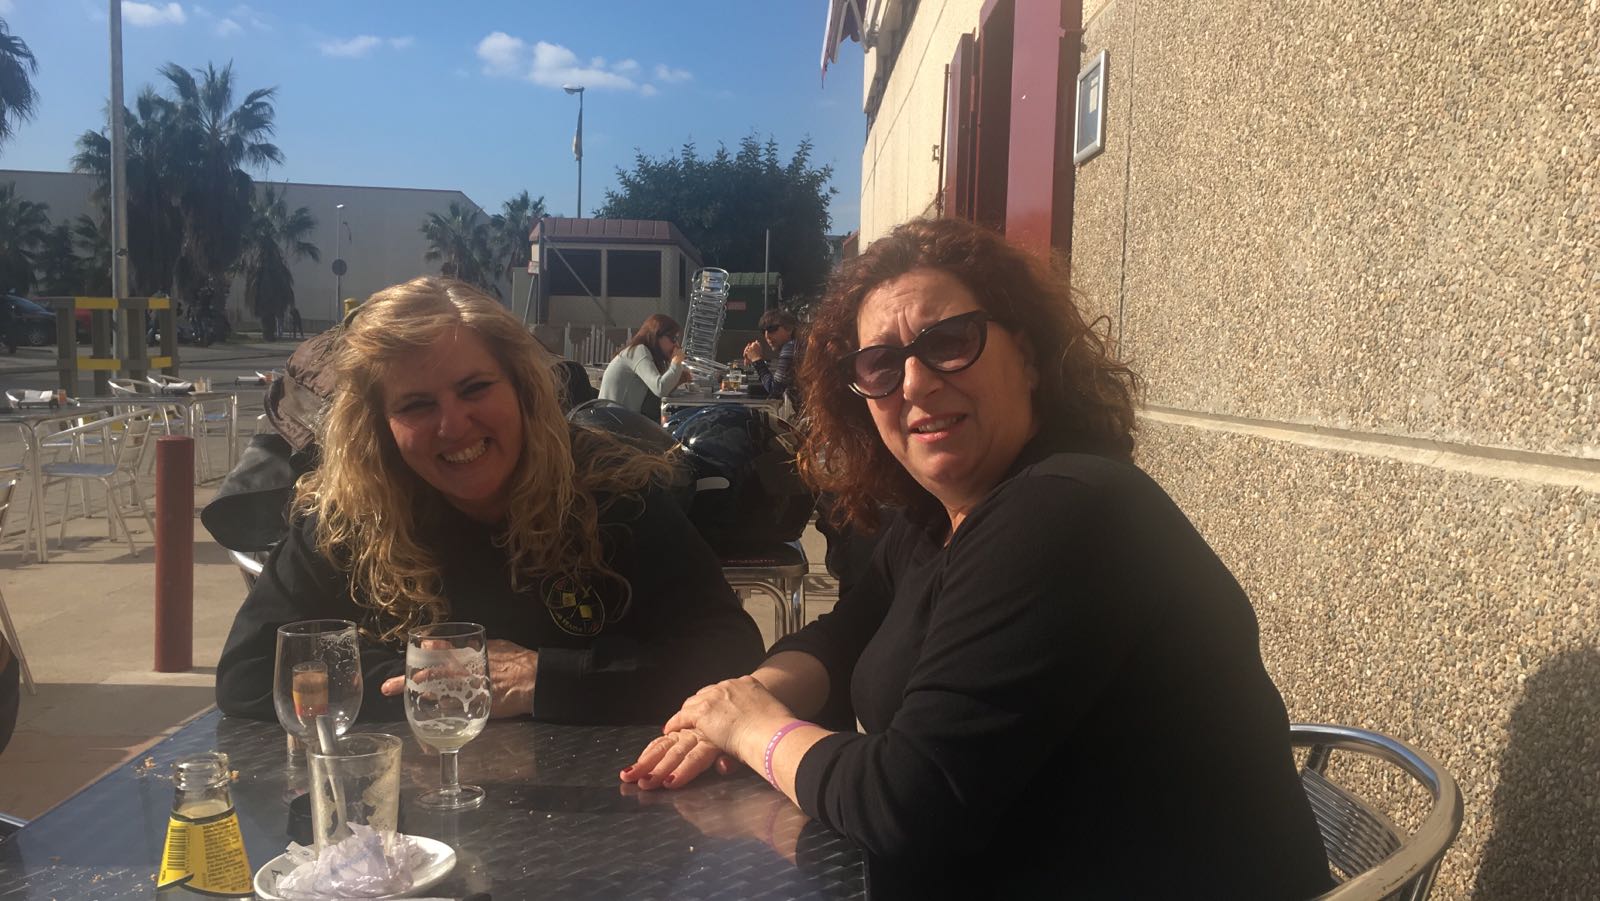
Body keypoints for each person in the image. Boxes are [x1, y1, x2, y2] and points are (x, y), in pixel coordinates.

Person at [621, 218, 1333, 898]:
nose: (914, 383)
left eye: (950, 341)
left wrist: (752, 728)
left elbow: (907, 799)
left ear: (1029, 356)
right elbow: (846, 634)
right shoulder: (939, 516)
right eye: (880, 363)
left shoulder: (1063, 511)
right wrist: (735, 701)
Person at [215, 278, 765, 725]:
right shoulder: (351, 514)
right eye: (416, 405)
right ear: (379, 428)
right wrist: (434, 685)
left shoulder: (613, 490)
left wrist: (543, 679)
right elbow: (249, 673)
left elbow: (731, 652)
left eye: (475, 388)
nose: (453, 425)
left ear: (524, 390)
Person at [599, 314, 692, 421]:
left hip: (618, 418)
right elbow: (660, 389)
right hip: (612, 421)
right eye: (673, 338)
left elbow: (656, 393)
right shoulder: (639, 351)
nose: (677, 345)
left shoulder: (644, 353)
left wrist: (677, 379)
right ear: (657, 335)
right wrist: (676, 364)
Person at [742, 308, 803, 411]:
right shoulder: (797, 344)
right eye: (764, 331)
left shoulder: (791, 347)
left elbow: (775, 390)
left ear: (789, 328)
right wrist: (754, 361)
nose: (767, 336)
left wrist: (757, 360)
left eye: (772, 329)